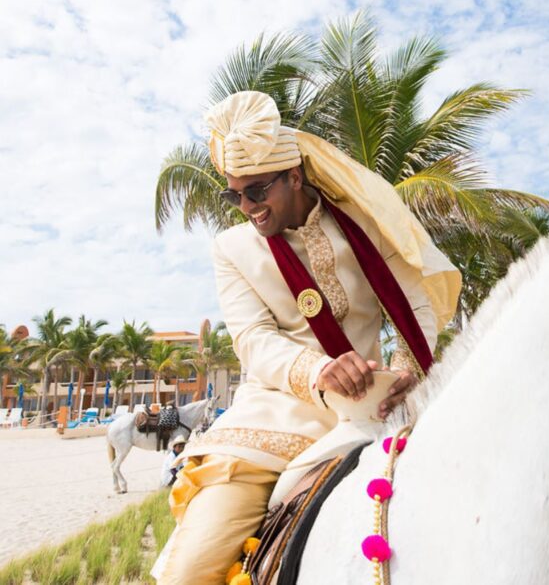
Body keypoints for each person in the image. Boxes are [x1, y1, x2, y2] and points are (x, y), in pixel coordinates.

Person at [154, 91, 460, 584]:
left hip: (370, 411)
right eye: (234, 195)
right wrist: (320, 369)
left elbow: (416, 302)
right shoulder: (232, 249)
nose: (246, 208)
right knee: (188, 573)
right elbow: (252, 338)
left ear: (294, 177)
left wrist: (404, 371)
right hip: (270, 421)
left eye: (256, 191)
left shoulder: (363, 222)